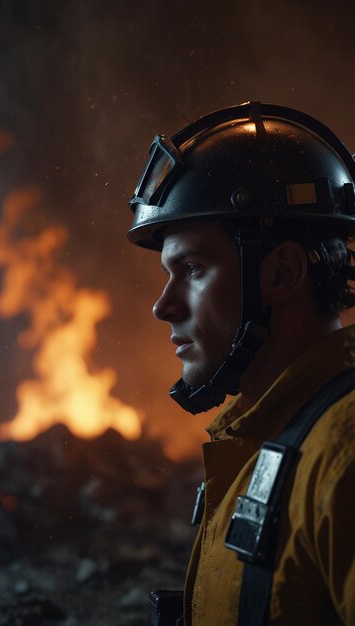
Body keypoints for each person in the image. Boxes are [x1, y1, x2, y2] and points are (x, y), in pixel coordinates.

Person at [127, 102, 355, 625]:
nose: (163, 305)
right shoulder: (270, 438)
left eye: (192, 268)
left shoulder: (343, 456)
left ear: (282, 274)